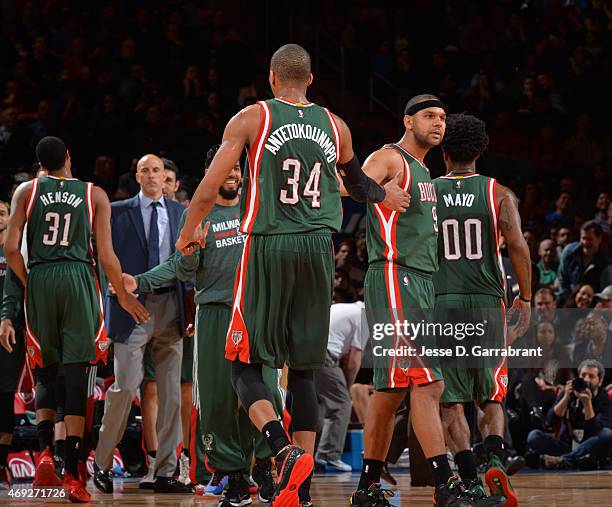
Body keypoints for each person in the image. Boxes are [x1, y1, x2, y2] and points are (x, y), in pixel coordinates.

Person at [175, 44, 408, 506]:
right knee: (303, 369)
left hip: (269, 244)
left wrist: (188, 230)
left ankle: (280, 451)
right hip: (320, 247)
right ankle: (297, 491)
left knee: (241, 361)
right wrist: (387, 196)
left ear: (272, 77)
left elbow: (209, 183)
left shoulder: (251, 118)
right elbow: (359, 185)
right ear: (311, 80)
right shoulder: (335, 124)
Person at [124, 145, 284, 506]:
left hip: (258, 312)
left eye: (236, 170)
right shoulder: (197, 214)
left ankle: (263, 464)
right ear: (210, 172)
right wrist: (146, 278)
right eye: (223, 170)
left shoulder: (258, 207)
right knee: (217, 399)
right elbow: (182, 271)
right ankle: (234, 475)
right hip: (214, 313)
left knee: (265, 393)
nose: (231, 175)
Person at [4, 136, 148, 502]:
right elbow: (107, 256)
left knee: (45, 374)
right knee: (77, 376)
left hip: (41, 278)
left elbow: (10, 248)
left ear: (41, 164)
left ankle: (45, 456)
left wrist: (29, 281)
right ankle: (71, 472)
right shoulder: (93, 194)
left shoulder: (26, 191)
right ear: (68, 157)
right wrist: (125, 296)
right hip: (79, 280)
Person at [349, 95, 470, 507]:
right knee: (429, 382)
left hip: (417, 281)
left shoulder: (423, 169)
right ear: (408, 120)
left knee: (390, 391)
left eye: (442, 118)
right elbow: (349, 180)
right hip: (394, 276)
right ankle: (445, 484)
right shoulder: (390, 157)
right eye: (429, 116)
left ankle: (367, 488)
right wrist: (380, 196)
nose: (438, 123)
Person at [433, 113, 531, 506]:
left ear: (444, 150)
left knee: (449, 401)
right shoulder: (499, 193)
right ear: (481, 149)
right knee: (491, 395)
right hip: (488, 301)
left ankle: (470, 478)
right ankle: (494, 458)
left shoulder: (428, 192)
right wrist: (524, 297)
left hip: (443, 301)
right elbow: (518, 245)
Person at [93, 153, 192, 494]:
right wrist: (120, 293)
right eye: (145, 170)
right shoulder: (117, 212)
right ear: (136, 176)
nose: (152, 176)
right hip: (130, 306)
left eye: (158, 170)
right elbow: (103, 258)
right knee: (125, 387)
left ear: (166, 176)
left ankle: (165, 470)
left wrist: (189, 311)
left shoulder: (181, 213)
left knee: (171, 394)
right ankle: (102, 464)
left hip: (171, 305)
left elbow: (188, 264)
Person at [527, 359, 612, 469]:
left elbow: (595, 431)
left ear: (600, 381)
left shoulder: (604, 398)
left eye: (591, 376)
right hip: (567, 445)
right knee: (534, 436)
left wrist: (587, 403)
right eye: (583, 375)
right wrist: (566, 397)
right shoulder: (568, 392)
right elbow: (550, 421)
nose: (586, 379)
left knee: (607, 434)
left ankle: (565, 460)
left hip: (589, 448)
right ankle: (574, 460)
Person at [315, 301, 368, 473]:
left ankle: (311, 455)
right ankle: (328, 455)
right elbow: (354, 360)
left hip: (307, 350)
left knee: (321, 405)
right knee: (342, 404)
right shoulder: (365, 317)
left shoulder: (349, 308)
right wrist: (347, 387)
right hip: (325, 353)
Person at [557, 220, 608, 298]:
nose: (585, 243)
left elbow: (605, 289)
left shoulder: (606, 262)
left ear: (599, 239)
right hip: (569, 298)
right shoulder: (569, 252)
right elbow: (562, 278)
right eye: (583, 238)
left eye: (589, 239)